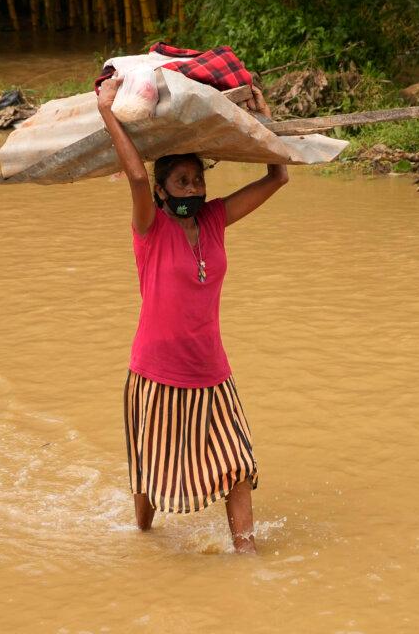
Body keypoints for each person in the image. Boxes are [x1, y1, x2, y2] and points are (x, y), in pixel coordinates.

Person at [97, 77, 288, 554]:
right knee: (151, 475)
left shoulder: (215, 220)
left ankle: (246, 556)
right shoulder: (150, 226)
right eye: (182, 181)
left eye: (198, 179)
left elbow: (278, 178)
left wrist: (260, 124)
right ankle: (141, 538)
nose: (194, 188)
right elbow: (138, 177)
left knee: (238, 465)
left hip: (211, 372)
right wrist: (108, 111)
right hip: (158, 373)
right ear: (162, 192)